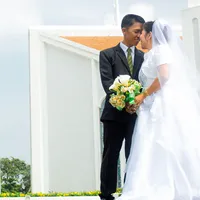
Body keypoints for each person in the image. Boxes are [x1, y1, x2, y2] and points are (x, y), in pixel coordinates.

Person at [117, 19, 200, 200]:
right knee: (150, 144)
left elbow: (164, 76)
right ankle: (154, 183)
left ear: (150, 35)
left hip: (161, 104)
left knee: (161, 141)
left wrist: (143, 95)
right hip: (151, 103)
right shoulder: (153, 53)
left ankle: (165, 186)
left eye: (142, 34)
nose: (140, 38)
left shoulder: (161, 51)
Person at [99, 14, 145, 200]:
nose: (139, 35)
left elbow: (144, 83)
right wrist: (124, 102)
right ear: (124, 30)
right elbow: (107, 83)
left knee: (133, 154)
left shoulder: (143, 57)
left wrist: (135, 103)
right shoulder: (107, 54)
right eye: (136, 31)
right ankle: (107, 193)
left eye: (141, 31)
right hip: (114, 114)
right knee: (111, 154)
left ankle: (129, 191)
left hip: (136, 114)